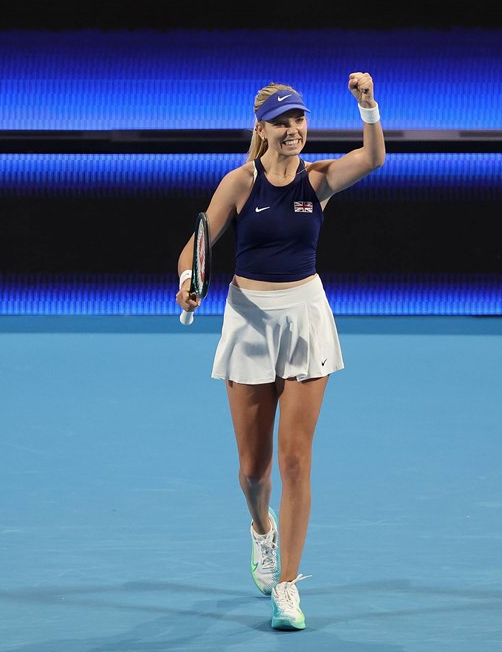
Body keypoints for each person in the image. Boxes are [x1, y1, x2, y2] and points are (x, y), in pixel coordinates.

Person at [176, 73, 385, 631]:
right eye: (282, 122)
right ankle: (261, 532)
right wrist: (187, 279)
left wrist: (368, 106)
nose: (293, 130)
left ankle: (288, 586)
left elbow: (372, 159)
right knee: (253, 470)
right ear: (261, 129)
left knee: (295, 460)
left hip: (306, 320)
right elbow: (198, 245)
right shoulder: (238, 184)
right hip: (247, 322)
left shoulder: (319, 181)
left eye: (300, 119)